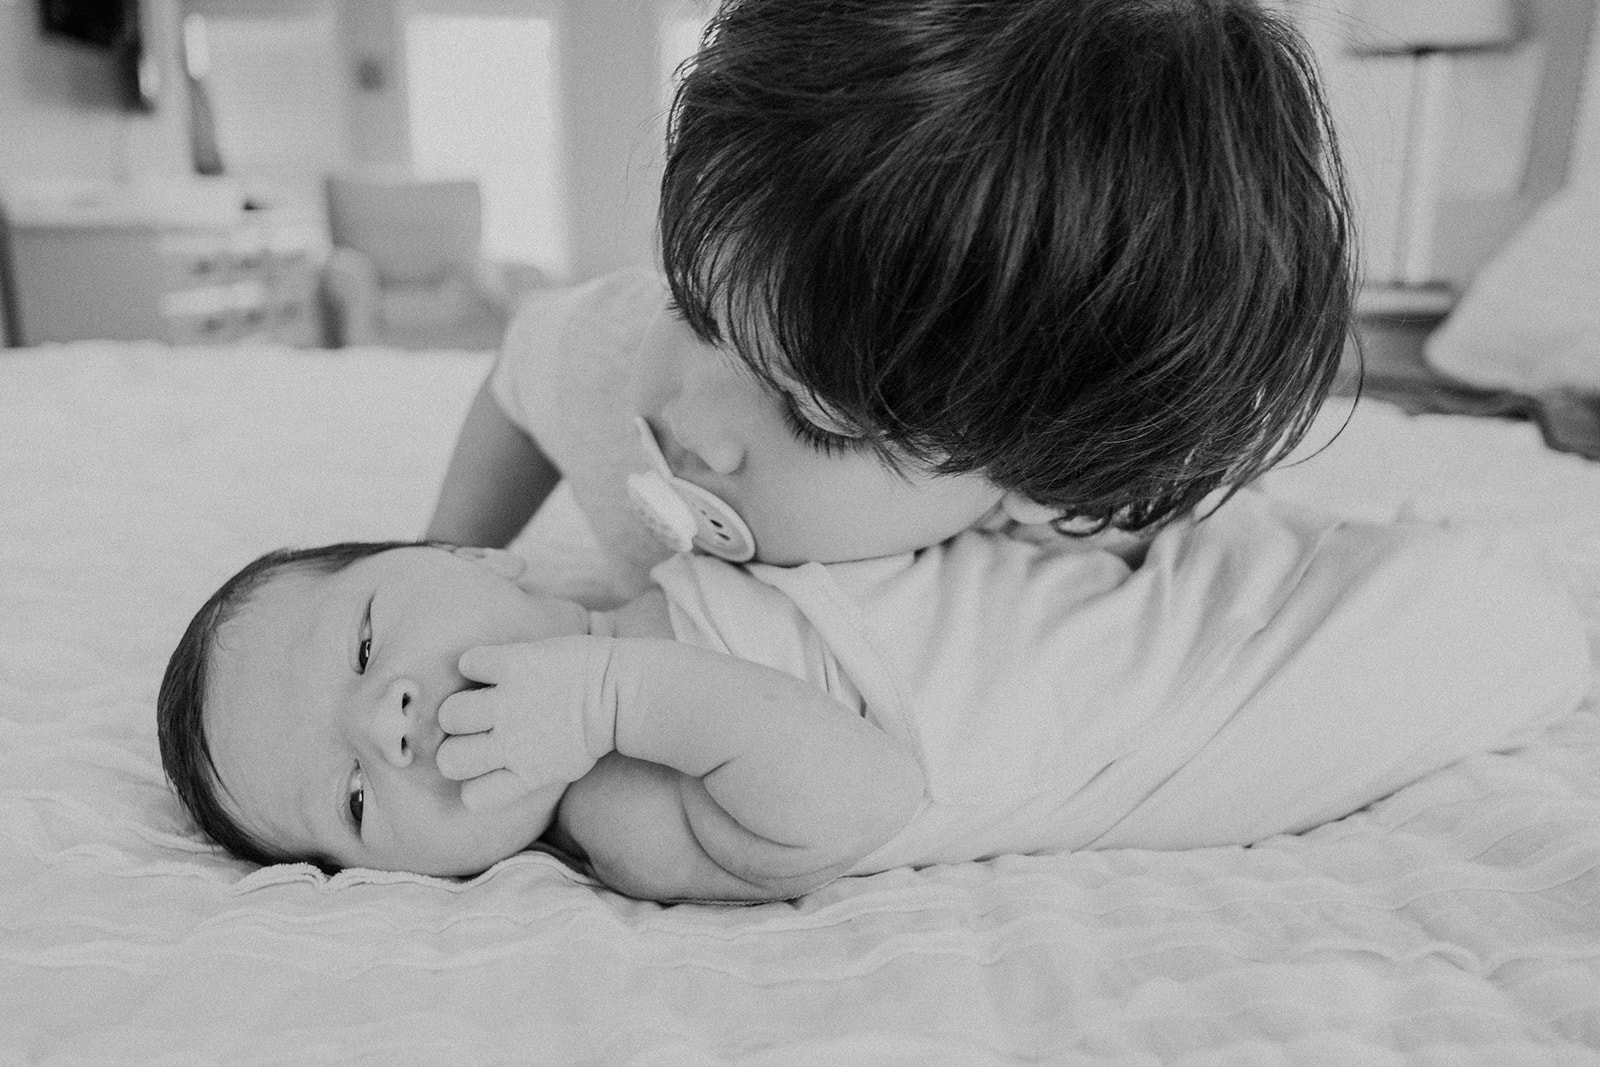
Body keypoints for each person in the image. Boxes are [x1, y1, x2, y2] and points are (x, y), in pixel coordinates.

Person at [158, 492, 1590, 901]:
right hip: (1218, 698)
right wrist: (604, 696)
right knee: (1497, 619)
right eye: (354, 797)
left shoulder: (652, 543)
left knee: (1402, 544)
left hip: (1163, 587)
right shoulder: (626, 811)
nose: (387, 723)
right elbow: (859, 791)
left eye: (360, 651)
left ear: (462, 551)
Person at [425, 0, 1357, 599]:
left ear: (1032, 487)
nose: (691, 420)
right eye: (698, 309)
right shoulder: (613, 365)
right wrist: (442, 556)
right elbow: (522, 367)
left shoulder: (1080, 568)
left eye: (810, 413)